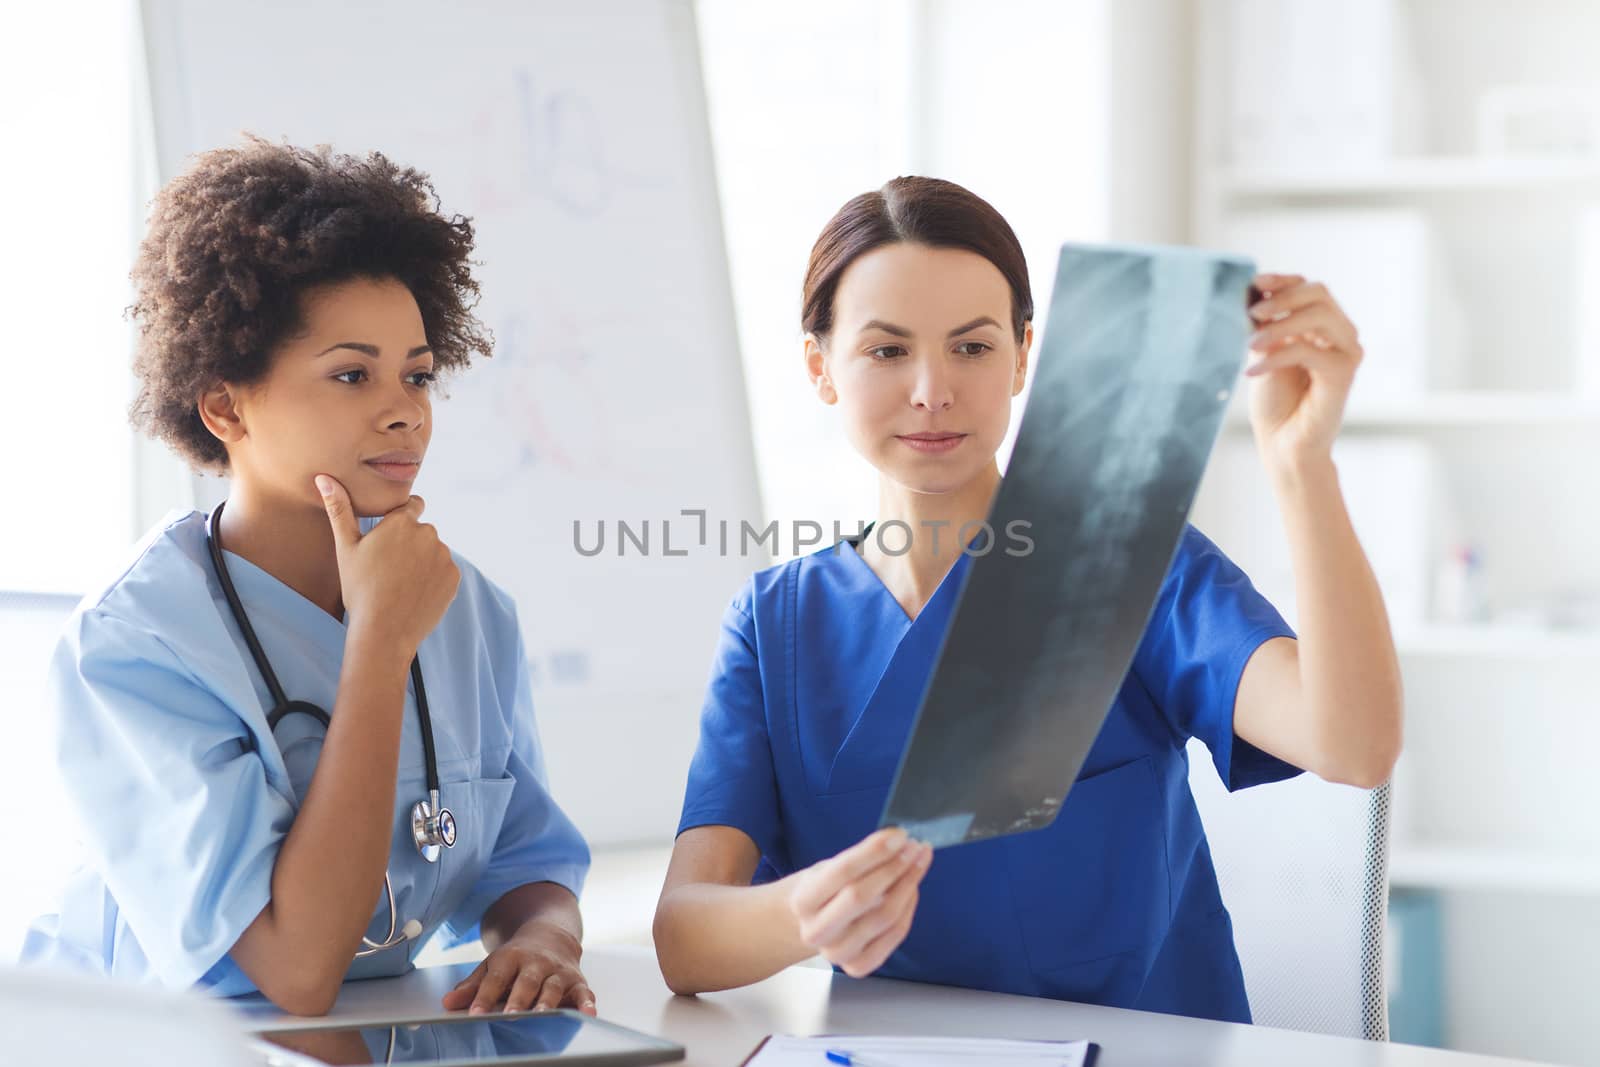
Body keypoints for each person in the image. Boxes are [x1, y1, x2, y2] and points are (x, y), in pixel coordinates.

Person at [652, 176, 1404, 1023]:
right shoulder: (777, 625)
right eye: (887, 350)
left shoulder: (1126, 560)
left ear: (1021, 356)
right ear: (820, 366)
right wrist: (805, 912)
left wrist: (1301, 464)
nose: (933, 389)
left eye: (972, 347)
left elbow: (1353, 746)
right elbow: (684, 936)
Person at [21, 137, 593, 1018]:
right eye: (352, 373)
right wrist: (377, 644)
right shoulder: (132, 645)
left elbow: (528, 865)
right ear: (224, 404)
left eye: (418, 374)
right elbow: (295, 969)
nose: (404, 408)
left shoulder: (464, 603)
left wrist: (542, 939)